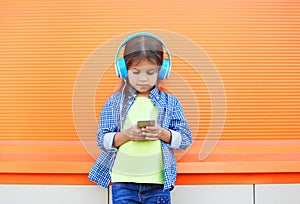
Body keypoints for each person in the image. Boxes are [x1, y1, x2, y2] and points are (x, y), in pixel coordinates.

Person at [88, 32, 192, 204]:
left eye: (150, 72)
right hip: (123, 183)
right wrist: (127, 134)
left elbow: (185, 139)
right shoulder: (115, 102)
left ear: (162, 71)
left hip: (158, 184)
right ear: (123, 70)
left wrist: (162, 133)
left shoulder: (170, 102)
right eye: (136, 72)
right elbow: (102, 140)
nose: (143, 79)